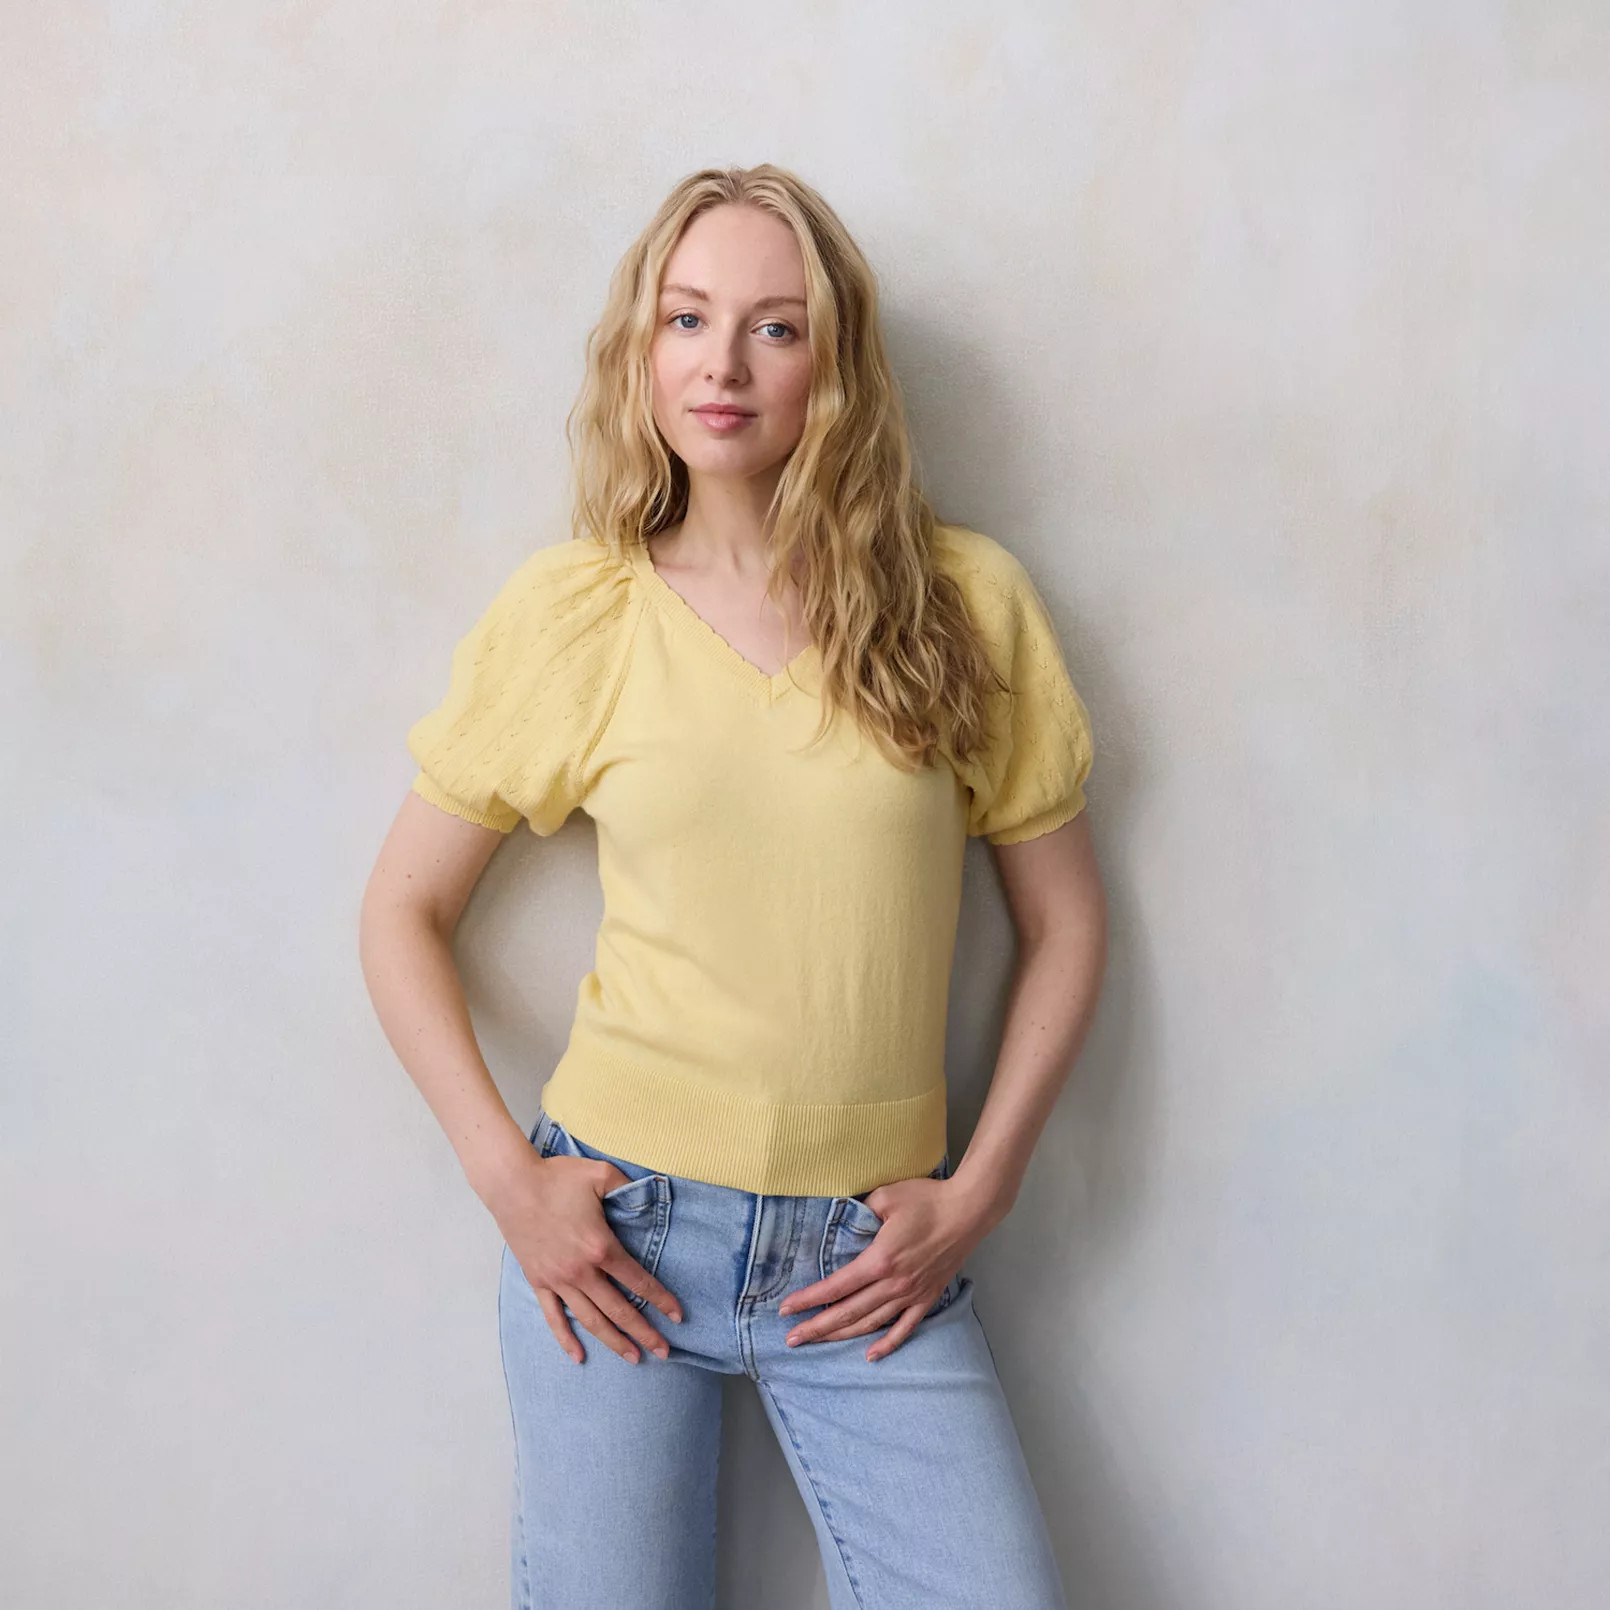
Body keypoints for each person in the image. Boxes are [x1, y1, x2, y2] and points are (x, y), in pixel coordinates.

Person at [359, 163, 1108, 1610]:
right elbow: (402, 913)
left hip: (869, 1258)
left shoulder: (964, 604)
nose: (723, 365)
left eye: (775, 326)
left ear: (835, 361)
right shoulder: (579, 615)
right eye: (687, 317)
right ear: (641, 348)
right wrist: (509, 1183)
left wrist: (983, 1186)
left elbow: (1066, 922)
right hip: (617, 1237)